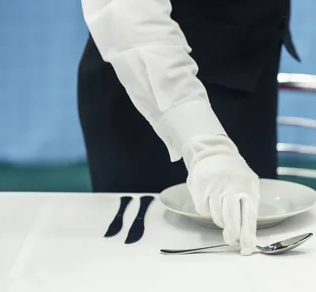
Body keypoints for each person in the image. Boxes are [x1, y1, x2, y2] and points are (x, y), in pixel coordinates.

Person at [78, 0, 298, 255]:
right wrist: (205, 144)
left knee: (244, 249)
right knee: (146, 261)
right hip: (150, 92)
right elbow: (130, 12)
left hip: (251, 72)